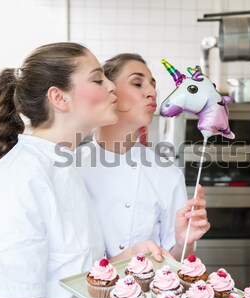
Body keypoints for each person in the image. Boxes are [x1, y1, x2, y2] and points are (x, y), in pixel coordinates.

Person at [0, 43, 166, 298]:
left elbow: (68, 278)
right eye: (97, 79)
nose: (111, 86)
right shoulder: (18, 182)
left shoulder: (64, 168)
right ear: (59, 98)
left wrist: (124, 260)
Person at [77, 53, 209, 260]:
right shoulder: (71, 166)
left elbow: (171, 260)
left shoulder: (167, 173)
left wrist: (184, 242)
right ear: (108, 90)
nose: (152, 92)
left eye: (152, 84)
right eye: (137, 84)